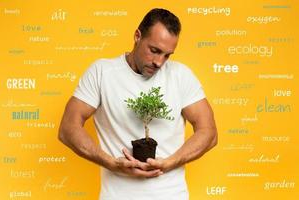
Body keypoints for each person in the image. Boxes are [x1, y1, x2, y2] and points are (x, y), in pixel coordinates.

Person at [58, 8, 218, 200]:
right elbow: (68, 128)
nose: (159, 62)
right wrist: (110, 162)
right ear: (137, 36)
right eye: (154, 50)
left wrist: (170, 162)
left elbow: (209, 133)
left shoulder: (181, 76)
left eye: (167, 55)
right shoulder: (102, 72)